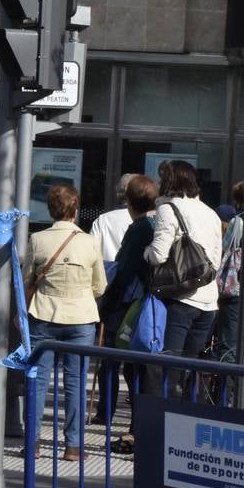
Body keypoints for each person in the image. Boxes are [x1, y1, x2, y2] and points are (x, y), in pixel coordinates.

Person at [24, 184, 107, 461]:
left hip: (43, 315)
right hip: (82, 318)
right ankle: (73, 446)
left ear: (50, 209)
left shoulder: (37, 239)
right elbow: (100, 286)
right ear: (76, 208)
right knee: (75, 382)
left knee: (37, 381)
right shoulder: (90, 242)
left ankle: (32, 443)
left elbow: (26, 280)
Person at [143, 160, 222, 396]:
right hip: (208, 300)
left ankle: (164, 419)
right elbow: (215, 260)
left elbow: (158, 254)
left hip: (180, 298)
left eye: (161, 178)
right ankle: (187, 420)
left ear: (169, 181)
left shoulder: (169, 208)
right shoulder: (211, 213)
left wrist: (144, 252)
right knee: (192, 368)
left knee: (169, 366)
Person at [97, 174, 159, 452]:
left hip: (129, 305)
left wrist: (106, 302)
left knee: (126, 366)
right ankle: (139, 426)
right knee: (138, 369)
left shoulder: (140, 228)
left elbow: (125, 271)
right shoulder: (158, 223)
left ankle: (134, 427)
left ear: (129, 201)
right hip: (149, 303)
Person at [214, 181, 244, 357]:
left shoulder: (237, 222)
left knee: (229, 339)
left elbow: (224, 248)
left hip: (235, 288)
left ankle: (228, 382)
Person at [89, 173, 139, 268]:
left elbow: (91, 252)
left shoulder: (102, 220)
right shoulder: (144, 220)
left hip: (107, 276)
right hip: (134, 277)